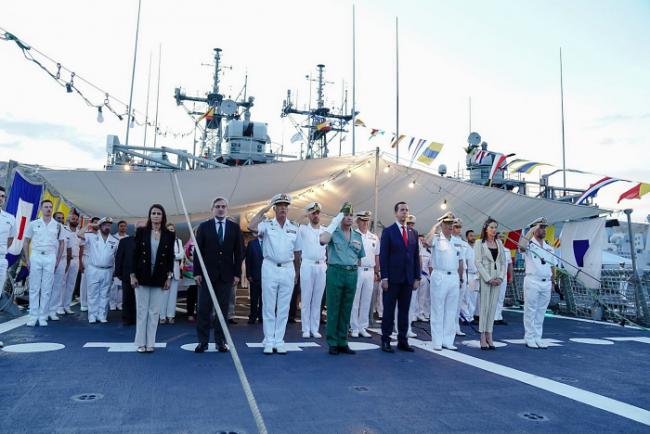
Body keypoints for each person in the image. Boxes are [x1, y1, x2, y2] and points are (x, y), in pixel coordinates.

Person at [248, 193, 299, 355]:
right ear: (275, 209)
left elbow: (297, 252)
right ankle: (269, 340)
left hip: (288, 268)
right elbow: (251, 227)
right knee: (269, 306)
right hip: (269, 266)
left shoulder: (294, 227)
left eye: (286, 206)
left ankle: (279, 340)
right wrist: (265, 209)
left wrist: (296, 272)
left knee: (283, 307)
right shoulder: (267, 225)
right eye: (280, 206)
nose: (283, 209)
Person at [193, 197, 244, 353]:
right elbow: (197, 252)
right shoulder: (204, 227)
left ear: (227, 209)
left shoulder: (235, 228)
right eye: (217, 206)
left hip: (226, 276)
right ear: (212, 209)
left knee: (223, 310)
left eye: (223, 206)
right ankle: (203, 342)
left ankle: (220, 341)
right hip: (207, 276)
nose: (220, 209)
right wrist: (197, 273)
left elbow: (240, 252)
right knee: (203, 309)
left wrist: (237, 274)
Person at [319, 202, 365, 355]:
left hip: (351, 273)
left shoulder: (358, 236)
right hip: (335, 271)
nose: (349, 217)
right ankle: (332, 342)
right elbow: (323, 240)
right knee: (333, 308)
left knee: (346, 309)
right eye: (345, 215)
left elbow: (359, 257)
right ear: (340, 217)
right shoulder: (333, 232)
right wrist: (335, 221)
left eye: (351, 215)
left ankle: (343, 341)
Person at [130, 205, 175, 353]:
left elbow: (170, 258)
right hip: (142, 275)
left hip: (159, 276)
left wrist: (169, 277)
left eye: (159, 213)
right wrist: (132, 275)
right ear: (150, 216)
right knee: (142, 310)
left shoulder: (169, 234)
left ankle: (150, 343)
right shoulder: (142, 232)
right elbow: (134, 255)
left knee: (154, 311)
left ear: (163, 216)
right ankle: (140, 343)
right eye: (153, 213)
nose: (156, 216)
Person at [379, 202, 420, 353]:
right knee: (389, 311)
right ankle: (386, 340)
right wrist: (384, 278)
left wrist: (417, 277)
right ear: (396, 213)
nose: (405, 213)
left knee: (404, 311)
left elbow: (416, 256)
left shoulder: (413, 232)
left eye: (407, 210)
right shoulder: (388, 231)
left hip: (408, 279)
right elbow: (383, 256)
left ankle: (403, 340)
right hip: (392, 279)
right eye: (402, 210)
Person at [23, 200, 65, 326]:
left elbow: (62, 242)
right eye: (46, 207)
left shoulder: (58, 226)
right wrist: (27, 259)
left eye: (50, 207)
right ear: (41, 208)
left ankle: (43, 316)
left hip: (50, 256)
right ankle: (33, 316)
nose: (48, 209)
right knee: (35, 287)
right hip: (36, 255)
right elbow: (26, 241)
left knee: (47, 288)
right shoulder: (33, 224)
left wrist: (57, 259)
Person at [518, 217, 557, 349]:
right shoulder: (529, 244)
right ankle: (529, 337)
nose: (544, 230)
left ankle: (537, 337)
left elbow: (553, 266)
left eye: (545, 227)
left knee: (541, 311)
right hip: (532, 280)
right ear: (535, 229)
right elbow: (521, 247)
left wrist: (553, 282)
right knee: (530, 310)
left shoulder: (549, 247)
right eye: (541, 227)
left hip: (546, 282)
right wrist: (531, 230)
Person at [428, 212, 463, 351]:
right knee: (438, 309)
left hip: (453, 277)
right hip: (440, 275)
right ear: (442, 224)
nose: (450, 226)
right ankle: (437, 341)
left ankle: (448, 340)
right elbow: (427, 242)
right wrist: (435, 226)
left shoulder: (457, 241)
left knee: (451, 311)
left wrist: (460, 278)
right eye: (447, 223)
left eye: (451, 224)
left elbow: (461, 262)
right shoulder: (437, 238)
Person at [78, 217, 119, 323]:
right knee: (92, 293)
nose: (107, 227)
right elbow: (79, 234)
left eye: (109, 225)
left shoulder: (114, 240)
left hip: (108, 270)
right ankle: (92, 315)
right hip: (93, 269)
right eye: (105, 225)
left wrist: (115, 270)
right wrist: (89, 225)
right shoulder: (91, 236)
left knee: (105, 294)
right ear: (100, 226)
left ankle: (102, 315)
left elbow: (116, 256)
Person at [296, 202, 327, 338]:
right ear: (308, 214)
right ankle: (305, 328)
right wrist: (304, 216)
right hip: (307, 264)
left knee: (317, 298)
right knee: (306, 297)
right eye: (313, 213)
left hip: (321, 265)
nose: (316, 215)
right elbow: (294, 223)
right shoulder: (302, 229)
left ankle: (315, 328)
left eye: (317, 212)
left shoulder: (324, 231)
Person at [474, 218, 507, 350]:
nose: (494, 230)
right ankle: (482, 335)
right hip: (485, 278)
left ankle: (490, 334)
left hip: (497, 277)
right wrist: (488, 278)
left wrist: (500, 277)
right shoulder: (479, 243)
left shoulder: (499, 243)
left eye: (495, 227)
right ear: (486, 228)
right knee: (484, 307)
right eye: (491, 227)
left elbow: (503, 262)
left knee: (493, 307)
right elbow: (478, 262)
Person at [350, 210, 379, 338]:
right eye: (362, 220)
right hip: (357, 270)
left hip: (370, 270)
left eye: (367, 220)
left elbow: (377, 256)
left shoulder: (374, 237)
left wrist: (377, 272)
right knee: (355, 300)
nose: (365, 223)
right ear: (357, 221)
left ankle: (363, 326)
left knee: (366, 300)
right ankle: (354, 327)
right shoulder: (352, 234)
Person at [160, 223, 184, 324]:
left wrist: (172, 256)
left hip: (175, 270)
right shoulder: (162, 240)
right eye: (169, 229)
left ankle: (171, 316)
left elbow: (181, 254)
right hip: (165, 271)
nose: (171, 231)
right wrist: (171, 256)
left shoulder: (178, 241)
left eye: (172, 229)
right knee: (163, 295)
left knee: (173, 295)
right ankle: (162, 316)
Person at [114, 231, 136, 325]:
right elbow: (119, 257)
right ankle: (127, 318)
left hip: (143, 276)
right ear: (135, 229)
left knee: (141, 300)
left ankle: (138, 318)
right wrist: (118, 273)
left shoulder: (149, 241)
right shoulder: (125, 241)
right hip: (127, 274)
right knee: (127, 297)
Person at [451, 218, 468, 337]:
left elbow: (466, 260)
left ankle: (456, 326)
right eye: (456, 226)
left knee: (458, 303)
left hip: (463, 274)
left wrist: (463, 277)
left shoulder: (464, 243)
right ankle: (450, 327)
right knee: (451, 303)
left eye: (459, 227)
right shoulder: (449, 241)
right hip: (453, 273)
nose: (458, 229)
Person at [78, 216, 99, 312]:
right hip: (87, 260)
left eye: (98, 222)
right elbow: (79, 234)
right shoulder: (88, 234)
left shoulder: (102, 235)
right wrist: (89, 224)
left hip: (98, 261)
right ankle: (84, 303)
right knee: (85, 282)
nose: (97, 224)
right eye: (95, 222)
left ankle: (93, 303)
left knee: (95, 283)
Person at [494, 232, 514, 325]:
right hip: (494, 276)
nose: (502, 238)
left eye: (503, 237)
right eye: (499, 237)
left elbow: (510, 264)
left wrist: (511, 276)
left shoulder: (507, 250)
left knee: (501, 297)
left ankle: (498, 316)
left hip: (504, 277)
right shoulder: (492, 249)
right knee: (494, 297)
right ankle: (492, 317)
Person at [0, 186, 16, 299]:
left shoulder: (10, 218)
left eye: (2, 196)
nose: (0, 198)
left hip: (1, 258)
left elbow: (11, 239)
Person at [460, 229, 479, 324]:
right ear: (467, 237)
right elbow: (465, 262)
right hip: (469, 275)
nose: (473, 237)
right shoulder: (465, 247)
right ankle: (465, 317)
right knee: (466, 297)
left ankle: (470, 316)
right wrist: (466, 278)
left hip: (476, 275)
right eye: (471, 236)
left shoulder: (476, 248)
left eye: (474, 235)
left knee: (473, 297)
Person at [109, 220, 129, 311]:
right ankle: (112, 304)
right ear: (118, 227)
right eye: (121, 226)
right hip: (114, 264)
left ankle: (120, 303)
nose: (123, 227)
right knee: (113, 286)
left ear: (126, 227)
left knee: (121, 287)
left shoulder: (128, 238)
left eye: (124, 226)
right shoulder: (113, 238)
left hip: (124, 265)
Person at [245, 233, 263, 324]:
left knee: (264, 299)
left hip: (266, 276)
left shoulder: (270, 243)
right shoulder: (251, 244)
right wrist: (248, 274)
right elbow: (248, 260)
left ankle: (261, 316)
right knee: (254, 298)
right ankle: (252, 316)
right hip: (254, 276)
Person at [416, 234, 431, 322]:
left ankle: (421, 313)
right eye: (419, 240)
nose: (421, 242)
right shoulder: (414, 251)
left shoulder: (428, 253)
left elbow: (430, 266)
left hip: (425, 276)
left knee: (422, 296)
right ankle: (414, 314)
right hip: (416, 275)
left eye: (422, 240)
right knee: (414, 296)